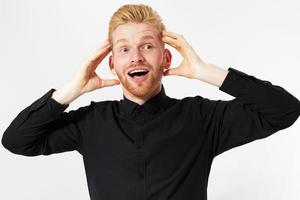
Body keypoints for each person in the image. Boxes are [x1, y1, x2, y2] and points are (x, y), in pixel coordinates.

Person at [2, 4, 300, 200]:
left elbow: (285, 110)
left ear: (166, 57)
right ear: (112, 64)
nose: (136, 57)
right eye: (124, 49)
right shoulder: (89, 123)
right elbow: (17, 141)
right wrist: (72, 89)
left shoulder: (202, 118)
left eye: (147, 46)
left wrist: (204, 71)